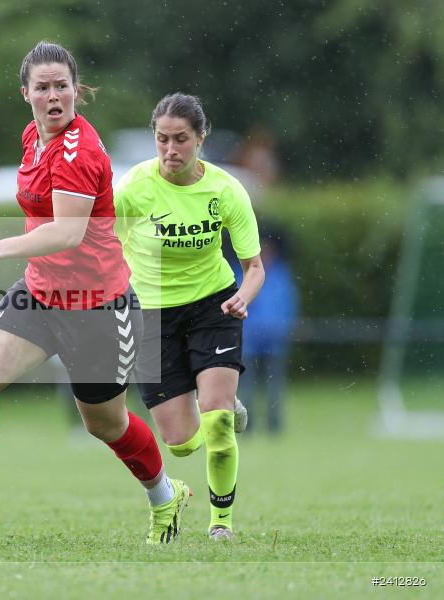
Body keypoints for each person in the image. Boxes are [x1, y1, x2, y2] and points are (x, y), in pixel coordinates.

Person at [0, 42, 189, 545]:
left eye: (62, 86)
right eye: (43, 87)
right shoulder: (32, 138)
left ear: (77, 90)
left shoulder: (79, 150)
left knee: (106, 424)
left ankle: (163, 496)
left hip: (99, 308)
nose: (54, 96)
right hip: (40, 294)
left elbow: (66, 233)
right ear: (26, 93)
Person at [114, 93, 265, 540]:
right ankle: (213, 414)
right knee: (179, 444)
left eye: (181, 139)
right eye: (162, 139)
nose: (170, 150)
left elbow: (254, 267)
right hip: (152, 316)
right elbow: (101, 246)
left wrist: (244, 298)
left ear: (201, 138)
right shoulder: (133, 190)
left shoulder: (225, 190)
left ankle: (222, 522)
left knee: (217, 420)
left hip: (214, 307)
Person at [235, 226, 298, 433]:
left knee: (274, 386)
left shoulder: (281, 275)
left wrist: (287, 326)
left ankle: (274, 423)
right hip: (249, 338)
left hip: (275, 338)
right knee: (247, 385)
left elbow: (288, 304)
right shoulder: (242, 273)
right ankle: (247, 424)